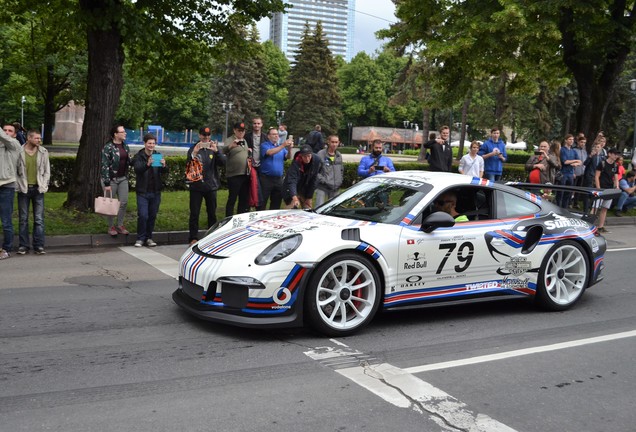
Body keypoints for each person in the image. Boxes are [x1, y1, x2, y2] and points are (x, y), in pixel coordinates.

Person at [187, 126, 225, 245]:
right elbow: (188, 164)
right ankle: (193, 237)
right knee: (194, 213)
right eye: (204, 135)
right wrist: (194, 153)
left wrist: (216, 151)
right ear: (199, 135)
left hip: (210, 186)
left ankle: (212, 237)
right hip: (196, 186)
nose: (206, 137)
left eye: (208, 135)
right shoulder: (194, 148)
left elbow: (223, 163)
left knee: (212, 213)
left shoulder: (213, 148)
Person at [16, 130, 50, 255]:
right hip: (24, 189)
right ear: (29, 138)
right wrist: (17, 185)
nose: (39, 141)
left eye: (39, 138)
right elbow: (15, 170)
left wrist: (44, 184)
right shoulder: (19, 151)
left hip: (38, 188)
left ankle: (39, 245)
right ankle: (23, 245)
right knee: (23, 219)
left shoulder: (43, 151)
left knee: (39, 219)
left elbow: (47, 170)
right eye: (36, 138)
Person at [132, 133, 169, 247]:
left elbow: (164, 171)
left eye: (153, 143)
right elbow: (137, 169)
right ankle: (140, 238)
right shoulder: (139, 156)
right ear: (145, 143)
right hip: (142, 191)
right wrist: (147, 165)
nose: (151, 145)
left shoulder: (157, 155)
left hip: (155, 191)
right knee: (143, 215)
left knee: (152, 215)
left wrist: (164, 166)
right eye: (149, 143)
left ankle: (149, 237)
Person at [100, 125, 131, 236]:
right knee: (111, 204)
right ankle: (111, 226)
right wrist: (107, 183)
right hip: (111, 180)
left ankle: (120, 225)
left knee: (123, 202)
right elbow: (104, 165)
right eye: (122, 132)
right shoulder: (108, 147)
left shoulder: (125, 146)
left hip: (123, 178)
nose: (125, 133)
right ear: (115, 134)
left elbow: (128, 161)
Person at [258, 127, 293, 210]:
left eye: (277, 134)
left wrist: (289, 148)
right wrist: (283, 145)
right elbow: (270, 152)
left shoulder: (281, 147)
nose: (276, 136)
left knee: (276, 203)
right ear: (268, 136)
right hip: (266, 179)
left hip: (278, 180)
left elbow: (288, 157)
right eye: (273, 134)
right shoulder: (265, 145)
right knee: (262, 202)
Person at [0, 124, 21, 260]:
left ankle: (6, 249)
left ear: (14, 134)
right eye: (5, 130)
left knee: (6, 220)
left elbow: (5, 139)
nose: (7, 133)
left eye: (10, 131)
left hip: (7, 186)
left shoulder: (15, 145)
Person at [223, 122, 251, 216]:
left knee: (243, 198)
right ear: (234, 130)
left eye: (243, 131)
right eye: (239, 131)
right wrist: (231, 146)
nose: (241, 133)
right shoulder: (230, 140)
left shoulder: (245, 140)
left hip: (245, 173)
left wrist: (248, 151)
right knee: (232, 198)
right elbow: (223, 150)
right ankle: (229, 218)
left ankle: (241, 217)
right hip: (234, 174)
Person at [283, 145, 322, 209]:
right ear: (301, 156)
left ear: (311, 154)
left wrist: (309, 197)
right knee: (291, 208)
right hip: (293, 188)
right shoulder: (296, 162)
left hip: (305, 187)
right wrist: (295, 198)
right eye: (304, 157)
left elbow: (314, 179)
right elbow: (292, 181)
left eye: (309, 156)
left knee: (308, 209)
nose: (307, 159)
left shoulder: (317, 160)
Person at [595, 148, 620, 233]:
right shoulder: (602, 163)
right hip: (601, 188)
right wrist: (598, 188)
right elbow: (597, 176)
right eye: (615, 154)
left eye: (617, 154)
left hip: (609, 189)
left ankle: (600, 226)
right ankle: (590, 226)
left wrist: (617, 186)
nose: (616, 156)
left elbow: (616, 178)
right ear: (609, 154)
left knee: (604, 208)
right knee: (595, 207)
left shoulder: (615, 165)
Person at [315, 135, 344, 206]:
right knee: (319, 208)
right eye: (332, 142)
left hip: (335, 188)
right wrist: (323, 181)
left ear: (338, 143)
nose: (334, 144)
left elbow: (341, 170)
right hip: (322, 187)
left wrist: (339, 181)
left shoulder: (338, 155)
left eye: (336, 142)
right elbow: (315, 171)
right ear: (328, 142)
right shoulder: (320, 154)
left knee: (333, 209)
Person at [558, 134, 582, 208]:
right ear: (565, 140)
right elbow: (565, 161)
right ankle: (558, 207)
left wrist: (575, 164)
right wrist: (574, 161)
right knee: (560, 192)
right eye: (570, 139)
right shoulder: (562, 149)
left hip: (571, 174)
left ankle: (564, 208)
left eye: (572, 139)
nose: (571, 141)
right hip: (563, 173)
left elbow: (580, 162)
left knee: (568, 193)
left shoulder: (573, 151)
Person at [582, 142, 602, 213]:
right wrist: (590, 156)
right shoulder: (591, 156)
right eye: (595, 147)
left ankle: (592, 208)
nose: (596, 149)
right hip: (589, 177)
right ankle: (586, 210)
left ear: (601, 149)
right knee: (587, 193)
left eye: (598, 147)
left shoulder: (601, 158)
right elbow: (585, 163)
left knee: (594, 194)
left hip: (596, 178)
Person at [572, 134, 588, 208]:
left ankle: (575, 203)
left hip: (582, 173)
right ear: (578, 142)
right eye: (581, 142)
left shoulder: (584, 151)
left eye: (584, 142)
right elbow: (572, 162)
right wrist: (573, 172)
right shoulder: (574, 150)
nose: (583, 144)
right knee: (572, 188)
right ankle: (569, 202)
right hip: (575, 172)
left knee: (579, 189)